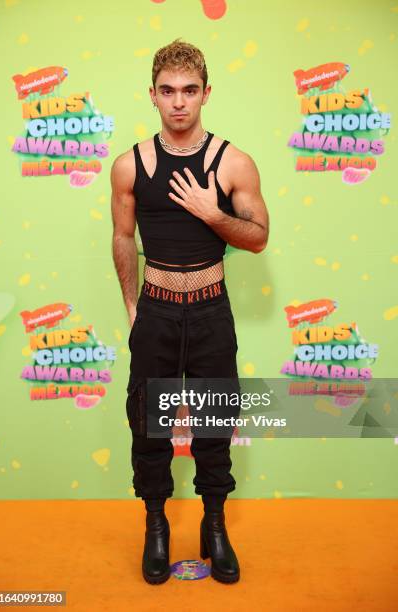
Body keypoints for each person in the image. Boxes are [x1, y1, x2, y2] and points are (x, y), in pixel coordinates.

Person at [111, 39, 269, 585]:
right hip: (155, 310)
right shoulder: (129, 165)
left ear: (206, 93)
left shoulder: (234, 162)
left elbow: (257, 238)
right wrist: (133, 306)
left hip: (209, 312)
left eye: (190, 91)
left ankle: (215, 525)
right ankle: (156, 526)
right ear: (152, 95)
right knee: (148, 425)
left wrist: (213, 213)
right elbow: (122, 238)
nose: (179, 102)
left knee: (214, 423)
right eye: (168, 91)